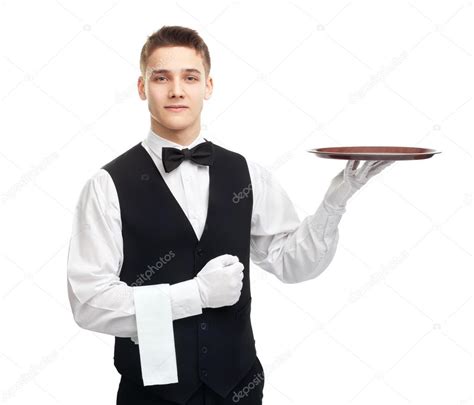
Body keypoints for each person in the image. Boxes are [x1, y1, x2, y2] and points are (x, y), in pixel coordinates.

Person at [66, 25, 394, 405]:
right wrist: (196, 294)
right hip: (151, 395)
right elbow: (88, 302)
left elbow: (292, 264)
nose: (176, 90)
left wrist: (335, 201)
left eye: (189, 77)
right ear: (142, 88)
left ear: (208, 86)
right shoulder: (107, 185)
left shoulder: (248, 174)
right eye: (161, 78)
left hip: (239, 389)